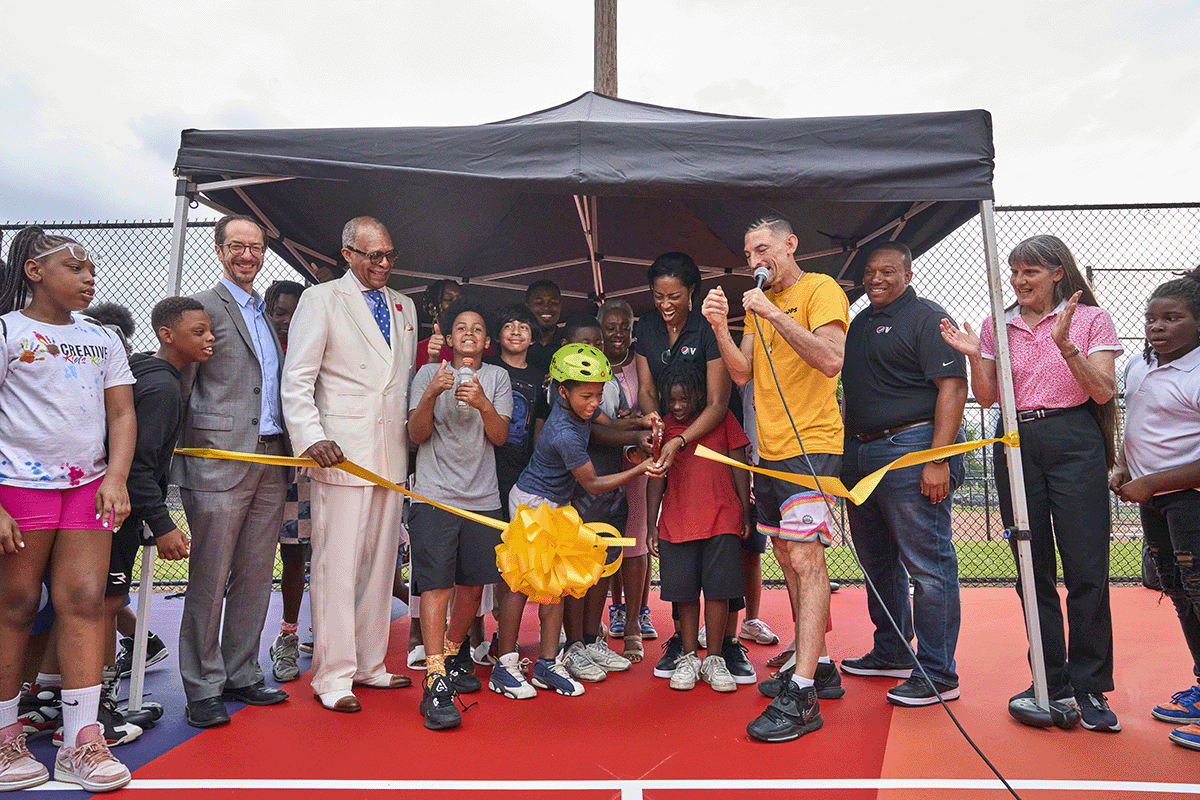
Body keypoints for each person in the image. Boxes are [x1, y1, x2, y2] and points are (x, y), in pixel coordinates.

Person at [941, 234, 1122, 732]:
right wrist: (977, 354)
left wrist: (1065, 345)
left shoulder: (1090, 319)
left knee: (1086, 567)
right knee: (1030, 566)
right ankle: (1049, 677)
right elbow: (986, 398)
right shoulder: (997, 324)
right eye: (1014, 272)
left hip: (1073, 436)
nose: (1019, 281)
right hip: (1017, 439)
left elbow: (1103, 389)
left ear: (1057, 273)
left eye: (1030, 272)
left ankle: (1089, 686)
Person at [701, 215, 848, 743]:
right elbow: (743, 373)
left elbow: (831, 359)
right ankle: (821, 666)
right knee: (786, 555)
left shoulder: (820, 289)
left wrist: (771, 312)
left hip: (812, 447)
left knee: (807, 558)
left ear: (791, 244)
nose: (755, 261)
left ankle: (804, 692)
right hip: (770, 449)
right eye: (748, 254)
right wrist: (721, 326)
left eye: (763, 248)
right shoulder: (756, 302)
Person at [0, 228, 137, 792]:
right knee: (16, 605)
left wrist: (118, 479)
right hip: (17, 487)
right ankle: (5, 738)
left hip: (89, 487)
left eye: (91, 269)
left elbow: (123, 416)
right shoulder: (8, 333)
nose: (88, 278)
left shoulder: (103, 338)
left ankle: (83, 741)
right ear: (35, 271)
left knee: (83, 602)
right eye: (74, 268)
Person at [282, 216, 419, 713]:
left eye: (388, 255)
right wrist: (312, 437)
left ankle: (369, 663)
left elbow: (398, 383)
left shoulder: (405, 305)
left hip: (391, 454)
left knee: (381, 565)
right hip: (339, 452)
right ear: (347, 254)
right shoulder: (320, 300)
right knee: (337, 566)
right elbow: (297, 378)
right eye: (372, 256)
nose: (383, 264)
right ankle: (333, 675)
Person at [489, 344, 661, 701]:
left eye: (598, 395)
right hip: (532, 505)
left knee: (556, 588)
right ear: (562, 392)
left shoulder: (582, 409)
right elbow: (593, 484)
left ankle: (547, 664)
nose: (592, 403)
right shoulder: (565, 434)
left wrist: (640, 422)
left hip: (555, 506)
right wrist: (640, 468)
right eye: (585, 395)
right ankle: (504, 667)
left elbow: (610, 424)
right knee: (523, 586)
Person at [173, 214, 290, 728]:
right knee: (209, 576)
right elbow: (184, 386)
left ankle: (242, 671)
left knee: (256, 574)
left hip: (271, 457)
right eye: (238, 247)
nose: (249, 256)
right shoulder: (204, 307)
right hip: (219, 460)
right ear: (219, 250)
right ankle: (202, 685)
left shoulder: (263, 311)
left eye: (257, 248)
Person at [840, 243, 968, 706]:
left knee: (928, 566)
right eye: (870, 272)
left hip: (911, 448)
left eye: (888, 271)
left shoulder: (928, 317)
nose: (877, 278)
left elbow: (953, 388)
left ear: (909, 273)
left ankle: (938, 673)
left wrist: (937, 459)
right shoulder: (859, 323)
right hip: (859, 453)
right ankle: (892, 650)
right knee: (877, 562)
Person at [99, 297, 213, 737]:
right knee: (104, 608)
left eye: (209, 331)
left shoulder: (143, 367)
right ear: (167, 335)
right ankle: (99, 706)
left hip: (108, 508)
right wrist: (163, 525)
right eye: (198, 332)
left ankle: (71, 698)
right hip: (115, 513)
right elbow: (137, 466)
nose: (210, 339)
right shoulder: (163, 388)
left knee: (100, 606)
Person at [407, 297, 512, 730]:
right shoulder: (428, 374)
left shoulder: (498, 376)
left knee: (472, 587)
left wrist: (484, 402)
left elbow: (501, 436)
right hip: (433, 496)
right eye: (461, 328)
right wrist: (433, 392)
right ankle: (434, 678)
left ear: (487, 342)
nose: (469, 334)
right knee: (436, 586)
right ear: (449, 339)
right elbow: (415, 434)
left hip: (482, 497)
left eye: (478, 329)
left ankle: (451, 655)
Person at [1110, 266, 1200, 751]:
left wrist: (1153, 483)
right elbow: (1137, 426)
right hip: (1154, 499)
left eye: (1173, 318)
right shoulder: (1140, 365)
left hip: (1190, 500)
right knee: (1182, 593)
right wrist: (1124, 467)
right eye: (1151, 318)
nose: (1157, 327)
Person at [633, 253, 734, 659]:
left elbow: (718, 403)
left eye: (674, 295)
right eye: (658, 295)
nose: (665, 304)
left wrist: (681, 441)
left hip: (708, 440)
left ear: (693, 291)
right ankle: (683, 642)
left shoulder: (708, 329)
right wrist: (650, 419)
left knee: (719, 543)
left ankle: (725, 644)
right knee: (677, 538)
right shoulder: (648, 328)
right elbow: (645, 388)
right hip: (667, 434)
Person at [647, 362, 752, 693]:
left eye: (685, 399)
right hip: (677, 520)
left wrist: (745, 512)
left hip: (722, 515)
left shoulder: (722, 420)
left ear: (700, 396)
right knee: (685, 593)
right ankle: (690, 655)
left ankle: (715, 658)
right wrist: (651, 525)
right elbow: (655, 482)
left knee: (720, 590)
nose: (678, 406)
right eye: (672, 400)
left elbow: (739, 466)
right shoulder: (663, 429)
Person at [559, 315, 636, 682]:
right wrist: (638, 440)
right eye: (581, 342)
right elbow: (596, 433)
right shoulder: (560, 387)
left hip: (612, 491)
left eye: (596, 342)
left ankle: (591, 639)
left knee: (603, 565)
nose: (589, 348)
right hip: (582, 491)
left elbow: (610, 422)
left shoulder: (609, 383)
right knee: (578, 571)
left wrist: (639, 422)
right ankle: (573, 645)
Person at [598, 299, 653, 662]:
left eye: (624, 326)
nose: (618, 333)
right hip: (598, 464)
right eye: (611, 326)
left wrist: (638, 423)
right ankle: (595, 625)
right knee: (599, 543)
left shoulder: (640, 362)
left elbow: (649, 407)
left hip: (635, 467)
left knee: (635, 544)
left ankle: (632, 622)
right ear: (600, 328)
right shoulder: (589, 360)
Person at [263, 281, 310, 682]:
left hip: (307, 464)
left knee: (304, 551)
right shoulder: (261, 348)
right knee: (274, 555)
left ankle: (297, 635)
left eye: (294, 313)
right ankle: (280, 638)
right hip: (264, 464)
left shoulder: (308, 348)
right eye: (279, 311)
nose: (286, 320)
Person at [415, 279, 461, 368]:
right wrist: (433, 358)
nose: (457, 304)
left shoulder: (479, 345)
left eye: (460, 299)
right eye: (449, 299)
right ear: (432, 308)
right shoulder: (419, 350)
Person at [525, 279, 563, 374]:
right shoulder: (517, 342)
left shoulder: (569, 341)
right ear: (527, 307)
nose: (546, 307)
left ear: (560, 306)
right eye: (539, 303)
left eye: (553, 303)